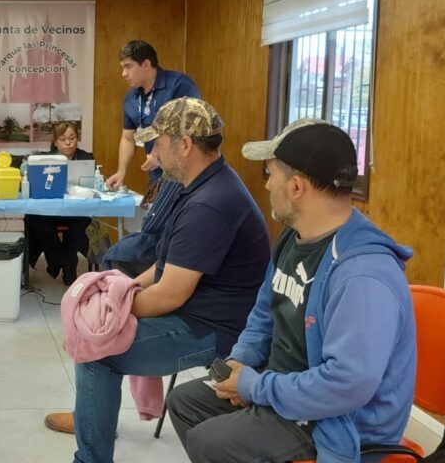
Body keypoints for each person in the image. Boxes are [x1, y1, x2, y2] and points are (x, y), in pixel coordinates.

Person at [167, 118, 416, 463]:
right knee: (184, 402)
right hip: (286, 388)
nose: (267, 185)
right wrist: (242, 360)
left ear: (296, 186)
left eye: (270, 175)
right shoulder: (294, 238)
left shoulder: (362, 274)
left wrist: (255, 387)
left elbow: (345, 386)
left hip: (335, 420)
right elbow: (264, 313)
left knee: (210, 442)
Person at [44, 98, 271, 463]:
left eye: (159, 143)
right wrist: (124, 293)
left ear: (185, 145)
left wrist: (109, 313)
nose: (154, 153)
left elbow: (169, 295)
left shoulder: (208, 203)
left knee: (97, 351)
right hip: (201, 313)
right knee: (99, 335)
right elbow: (164, 266)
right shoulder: (199, 185)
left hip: (215, 331)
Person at [105, 40, 200, 191]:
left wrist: (158, 152)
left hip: (185, 174)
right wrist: (121, 171)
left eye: (128, 67)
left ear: (146, 64)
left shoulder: (180, 85)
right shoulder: (131, 98)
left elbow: (193, 127)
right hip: (156, 176)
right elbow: (128, 138)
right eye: (123, 68)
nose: (124, 74)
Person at [25, 121, 93, 285]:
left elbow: (92, 186)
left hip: (76, 210)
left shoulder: (86, 158)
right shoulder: (44, 159)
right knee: (34, 219)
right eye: (63, 139)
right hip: (51, 211)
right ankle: (60, 261)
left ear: (77, 139)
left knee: (79, 223)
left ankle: (65, 265)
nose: (68, 143)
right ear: (55, 142)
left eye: (72, 138)